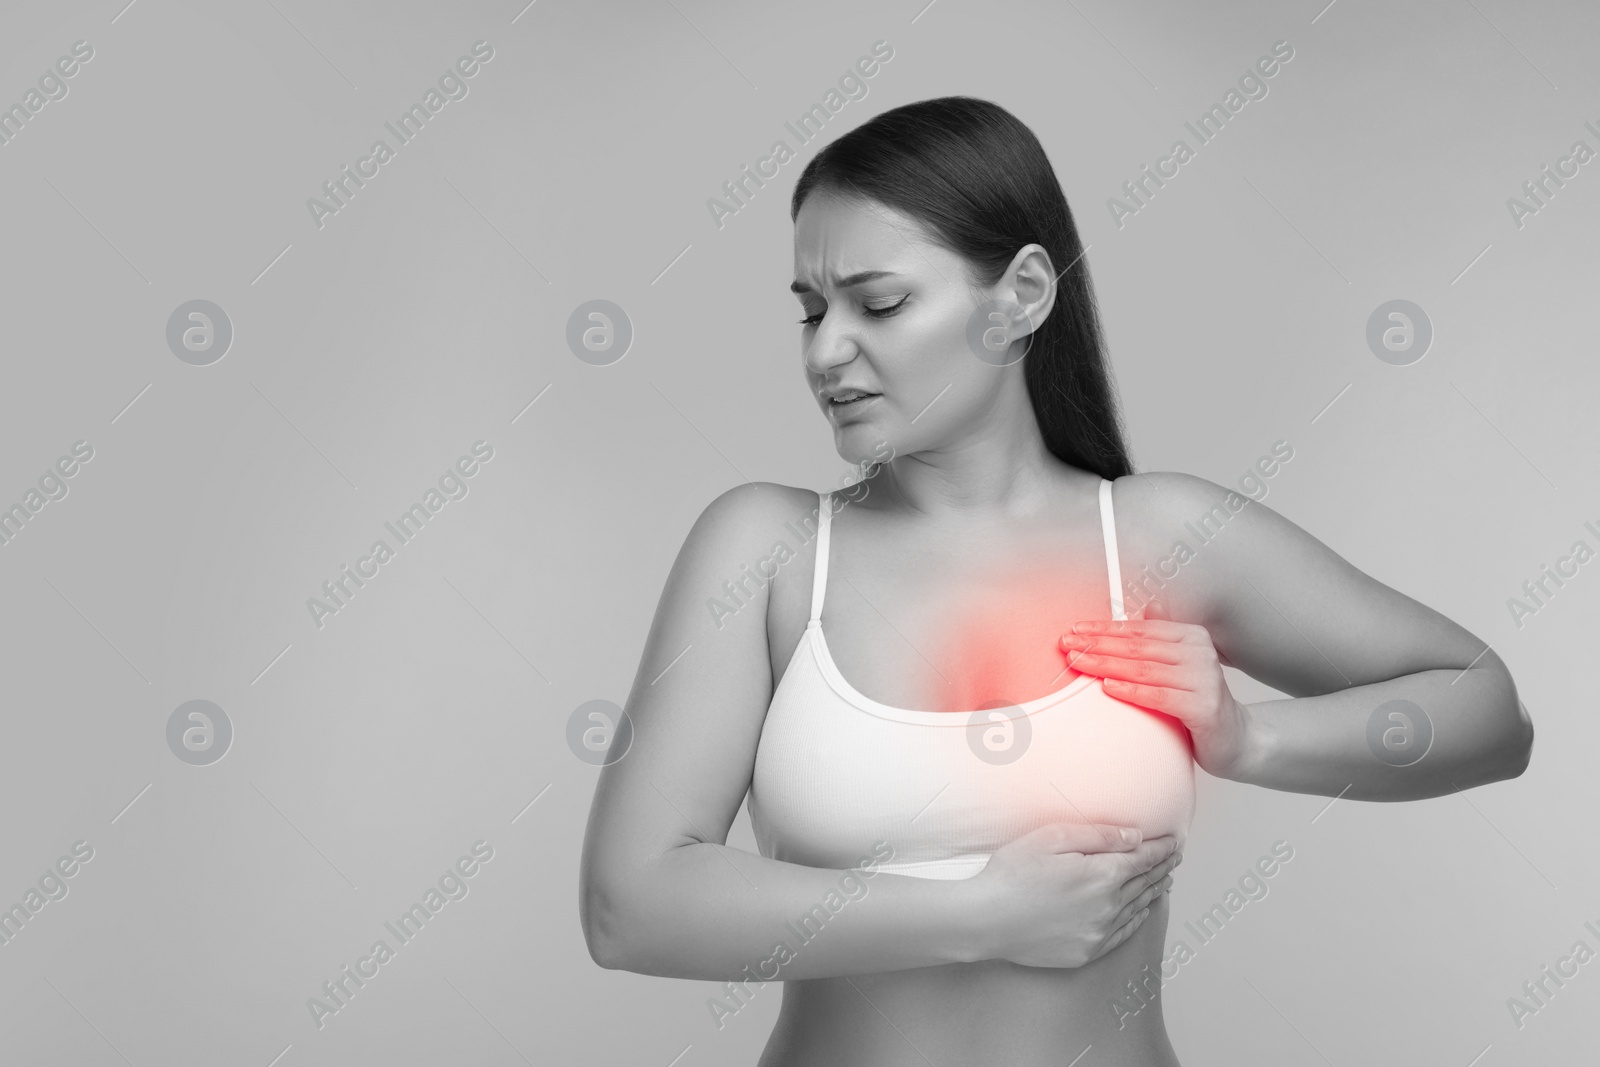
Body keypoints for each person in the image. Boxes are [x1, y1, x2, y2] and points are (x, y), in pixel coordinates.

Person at [579, 96, 1531, 1066]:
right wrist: (983, 911)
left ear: (1021, 294)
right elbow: (632, 905)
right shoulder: (770, 550)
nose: (826, 350)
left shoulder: (1160, 536)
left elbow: (1487, 709)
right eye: (811, 310)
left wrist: (1252, 736)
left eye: (879, 303)